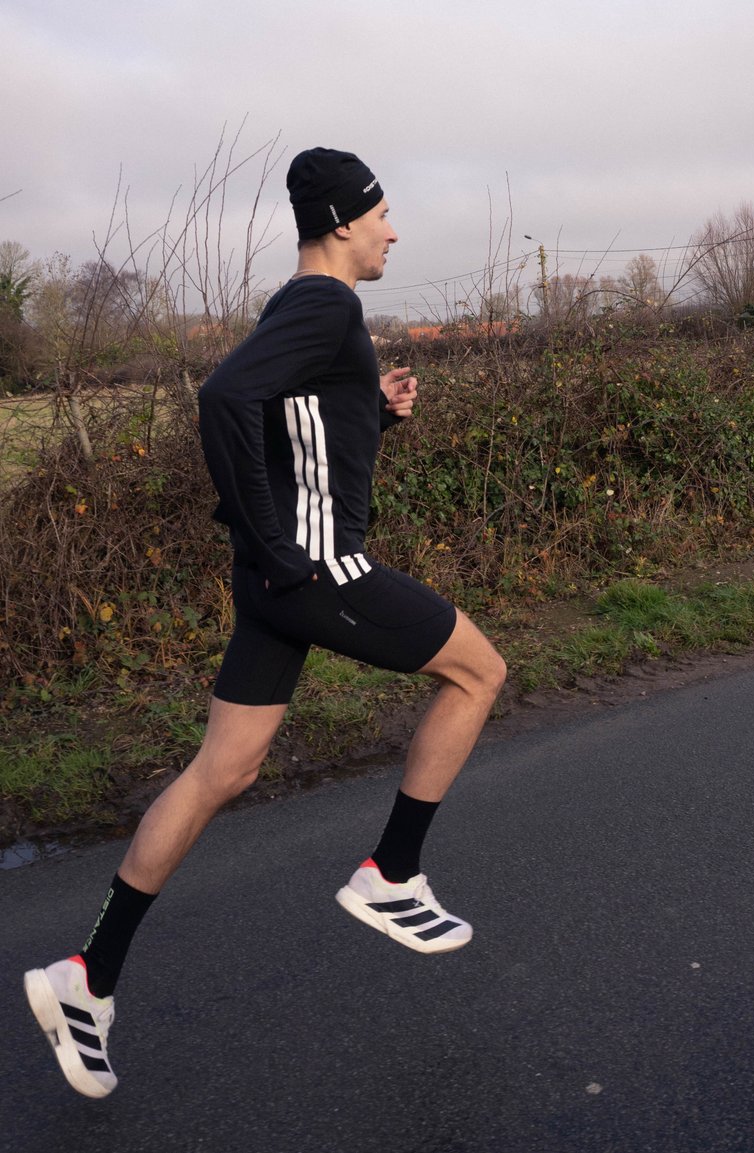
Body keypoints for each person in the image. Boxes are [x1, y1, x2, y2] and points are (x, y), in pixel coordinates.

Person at [23, 147, 507, 1099]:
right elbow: (226, 400)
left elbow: (293, 423)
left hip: (273, 577)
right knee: (480, 672)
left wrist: (378, 408)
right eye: (381, 215)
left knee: (224, 769)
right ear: (339, 221)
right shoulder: (330, 305)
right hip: (314, 569)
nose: (392, 231)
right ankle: (392, 872)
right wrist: (276, 542)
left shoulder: (296, 307)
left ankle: (87, 978)